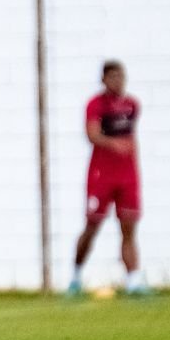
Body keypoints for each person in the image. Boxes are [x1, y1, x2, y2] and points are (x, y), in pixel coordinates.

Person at [68, 60, 152, 297]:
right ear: (104, 79)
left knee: (128, 227)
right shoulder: (95, 105)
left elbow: (130, 138)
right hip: (101, 175)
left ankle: (134, 281)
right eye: (113, 77)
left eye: (121, 76)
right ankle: (75, 277)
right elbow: (92, 134)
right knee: (92, 226)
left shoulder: (132, 105)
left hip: (127, 176)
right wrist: (112, 144)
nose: (118, 81)